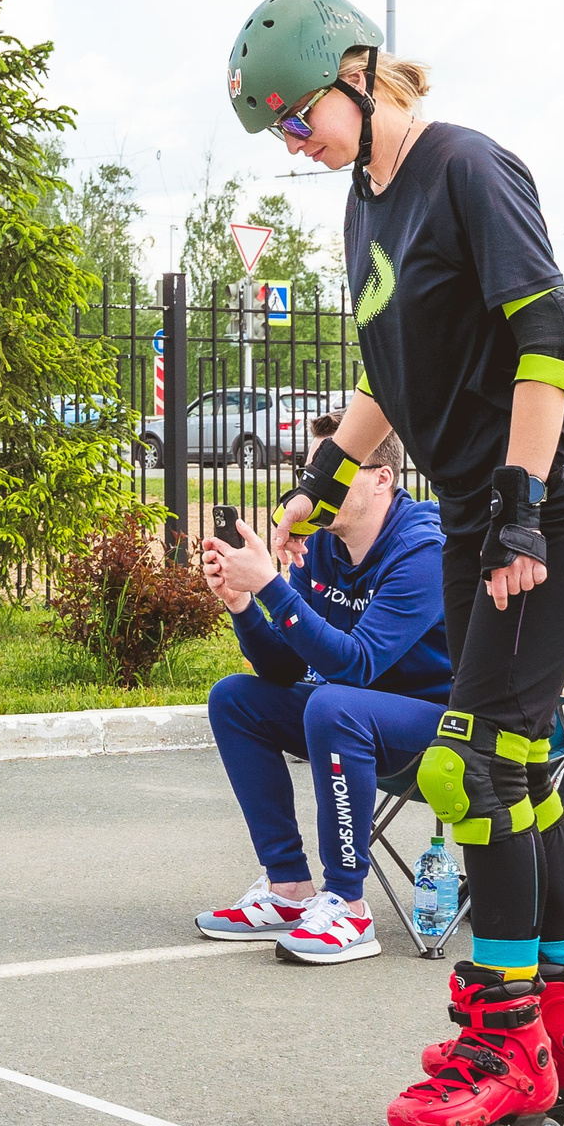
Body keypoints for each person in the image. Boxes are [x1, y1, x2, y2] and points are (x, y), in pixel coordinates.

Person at [228, 0, 564, 1126]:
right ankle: (562, 1012)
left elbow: (544, 331)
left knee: (472, 765)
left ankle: (505, 1037)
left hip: (553, 499)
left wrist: (518, 507)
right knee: (519, 759)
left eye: (296, 114)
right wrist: (317, 477)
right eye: (276, 129)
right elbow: (392, 381)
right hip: (476, 509)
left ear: (359, 75)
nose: (291, 141)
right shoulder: (365, 211)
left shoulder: (465, 166)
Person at [193, 412, 450, 966]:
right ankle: (288, 889)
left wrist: (269, 586)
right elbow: (284, 668)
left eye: (331, 470)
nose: (312, 488)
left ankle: (349, 907)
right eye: (311, 471)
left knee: (336, 703)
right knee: (235, 699)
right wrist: (242, 603)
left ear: (382, 477)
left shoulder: (423, 549)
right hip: (355, 718)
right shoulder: (323, 547)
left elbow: (355, 666)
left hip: (442, 723)